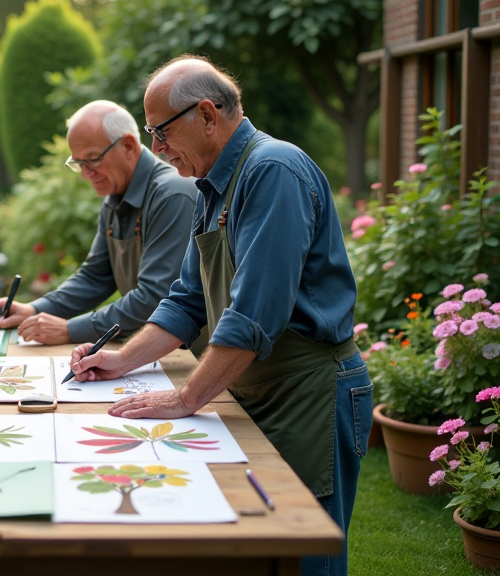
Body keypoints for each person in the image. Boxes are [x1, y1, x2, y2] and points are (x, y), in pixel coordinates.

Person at [69, 56, 371, 576]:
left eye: (161, 132)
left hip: (310, 395)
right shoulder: (213, 184)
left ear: (207, 115)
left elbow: (253, 314)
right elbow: (186, 300)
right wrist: (122, 361)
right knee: (254, 548)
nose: (157, 149)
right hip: (257, 389)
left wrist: (187, 396)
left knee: (303, 556)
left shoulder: (272, 171)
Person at [0, 101, 199, 346]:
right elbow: (95, 276)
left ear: (128, 145)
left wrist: (70, 330)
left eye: (93, 160)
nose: (86, 174)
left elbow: (155, 298)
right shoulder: (115, 197)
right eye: (78, 164)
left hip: (190, 357)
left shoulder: (172, 195)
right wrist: (34, 310)